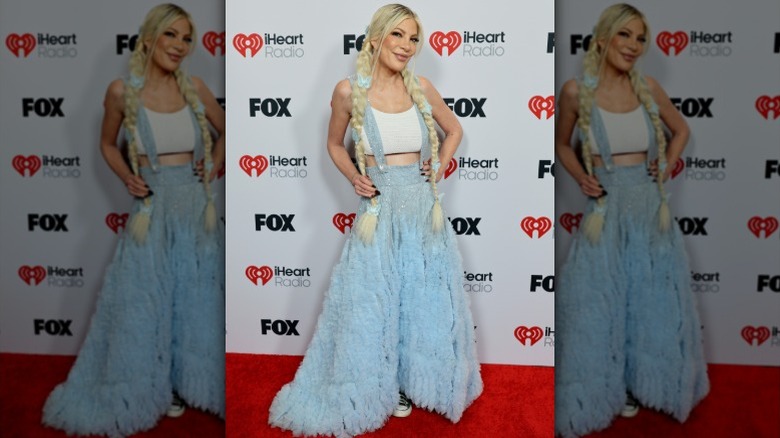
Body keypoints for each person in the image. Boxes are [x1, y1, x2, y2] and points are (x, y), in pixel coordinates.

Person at [268, 4, 483, 436]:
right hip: (379, 212)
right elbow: (333, 145)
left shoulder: (421, 87)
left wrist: (438, 162)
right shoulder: (349, 91)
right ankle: (379, 382)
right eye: (398, 36)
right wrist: (353, 176)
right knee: (375, 302)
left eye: (413, 38)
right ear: (376, 37)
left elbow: (454, 130)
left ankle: (419, 379)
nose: (406, 46)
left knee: (421, 298)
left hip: (423, 210)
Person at [42, 4, 225, 436]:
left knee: (196, 301)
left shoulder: (196, 87)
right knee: (147, 304)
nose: (180, 46)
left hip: (196, 211)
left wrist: (212, 166)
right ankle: (150, 384)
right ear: (148, 38)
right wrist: (127, 176)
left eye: (186, 38)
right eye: (171, 36)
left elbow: (226, 132)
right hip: (152, 211)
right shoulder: (121, 92)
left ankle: (188, 382)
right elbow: (107, 144)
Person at [553, 4, 709, 437]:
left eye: (641, 39)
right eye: (625, 36)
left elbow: (682, 131)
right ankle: (608, 385)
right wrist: (581, 175)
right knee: (601, 301)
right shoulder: (574, 92)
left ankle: (646, 382)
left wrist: (667, 163)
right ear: (602, 39)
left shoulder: (648, 88)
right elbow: (562, 144)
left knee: (651, 301)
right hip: (606, 211)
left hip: (648, 209)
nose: (634, 46)